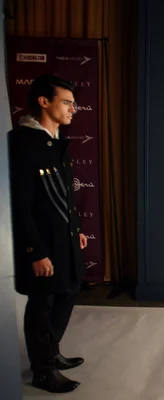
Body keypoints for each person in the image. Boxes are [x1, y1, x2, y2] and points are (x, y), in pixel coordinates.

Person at [8, 75, 88, 393]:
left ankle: (51, 353)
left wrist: (76, 231)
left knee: (68, 289)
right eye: (67, 102)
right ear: (44, 102)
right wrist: (35, 251)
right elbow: (20, 205)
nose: (74, 109)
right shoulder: (23, 144)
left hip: (63, 238)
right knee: (42, 302)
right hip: (42, 243)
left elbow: (63, 196)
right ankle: (42, 370)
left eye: (73, 103)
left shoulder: (55, 143)